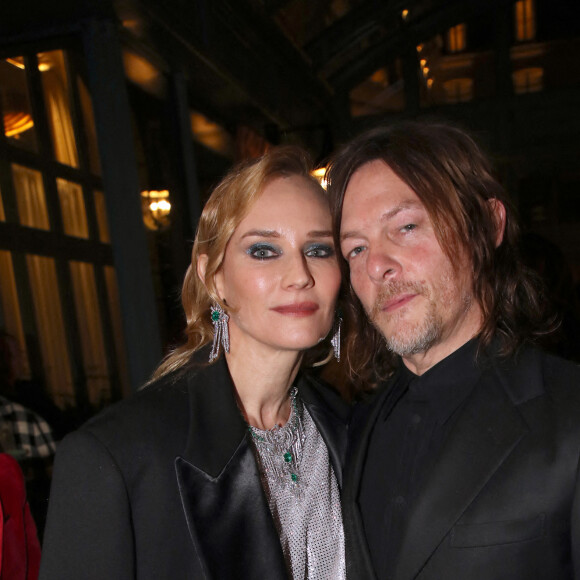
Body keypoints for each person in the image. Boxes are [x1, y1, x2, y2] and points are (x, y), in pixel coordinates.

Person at [40, 147, 348, 579]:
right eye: (263, 250)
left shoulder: (349, 430)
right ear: (214, 277)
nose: (299, 275)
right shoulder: (117, 457)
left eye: (318, 249)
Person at [326, 122, 580, 580]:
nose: (378, 266)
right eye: (356, 249)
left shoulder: (569, 414)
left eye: (405, 226)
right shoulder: (350, 431)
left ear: (487, 225)